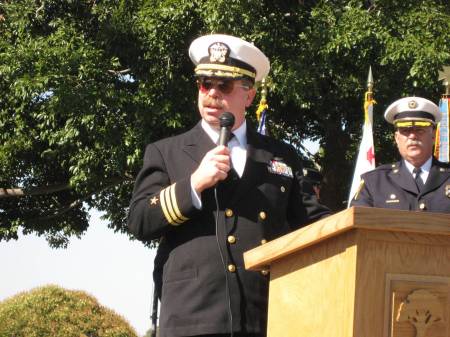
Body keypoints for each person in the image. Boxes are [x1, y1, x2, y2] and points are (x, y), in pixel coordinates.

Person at [127, 34, 330, 337]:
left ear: (248, 95)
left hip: (263, 315)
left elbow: (312, 221)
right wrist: (194, 184)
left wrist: (365, 226)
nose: (211, 94)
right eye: (204, 83)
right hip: (193, 317)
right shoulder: (165, 152)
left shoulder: (281, 155)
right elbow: (139, 220)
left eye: (224, 86)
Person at [351, 96, 450, 212]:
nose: (412, 136)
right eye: (405, 131)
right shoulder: (374, 182)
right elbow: (356, 222)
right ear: (397, 138)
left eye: (419, 129)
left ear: (433, 136)